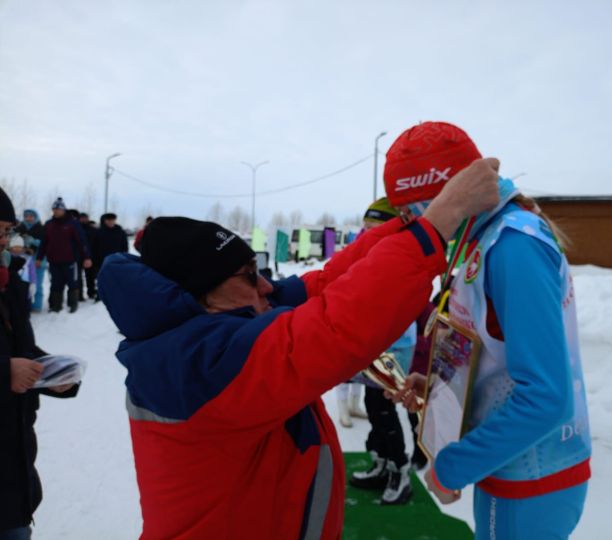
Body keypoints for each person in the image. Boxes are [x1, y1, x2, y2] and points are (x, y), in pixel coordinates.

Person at [96, 159, 500, 540]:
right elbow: (332, 326)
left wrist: (405, 227)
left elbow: (321, 285)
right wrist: (438, 222)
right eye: (250, 276)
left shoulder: (208, 324)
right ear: (203, 296)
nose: (268, 286)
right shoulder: (199, 362)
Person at [384, 121, 591, 540]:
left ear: (442, 193)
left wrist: (453, 466)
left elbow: (547, 397)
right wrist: (442, 387)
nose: (410, 223)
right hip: (509, 464)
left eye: (410, 209)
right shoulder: (487, 237)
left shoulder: (513, 247)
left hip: (530, 476)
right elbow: (497, 353)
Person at [0, 188, 80, 540]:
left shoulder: (9, 283)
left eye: (6, 231)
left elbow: (21, 349)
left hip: (11, 463)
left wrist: (50, 373)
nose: (4, 241)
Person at [349, 197, 417, 505]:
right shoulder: (368, 252)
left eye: (375, 228)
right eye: (365, 228)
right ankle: (382, 461)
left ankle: (399, 471)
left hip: (394, 345)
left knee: (385, 407)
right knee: (373, 404)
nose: (368, 234)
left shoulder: (400, 255)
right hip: (372, 343)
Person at [35, 198, 92, 313]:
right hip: (54, 261)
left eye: (58, 209)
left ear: (63, 210)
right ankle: (56, 306)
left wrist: (87, 257)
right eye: (54, 209)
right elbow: (44, 242)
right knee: (56, 284)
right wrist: (39, 257)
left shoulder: (72, 223)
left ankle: (73, 305)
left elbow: (82, 241)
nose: (56, 211)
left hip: (71, 260)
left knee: (73, 283)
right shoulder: (49, 224)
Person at [14, 210, 44, 312]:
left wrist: (34, 241)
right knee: (24, 283)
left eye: (31, 216)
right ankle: (26, 305)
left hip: (38, 260)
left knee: (37, 283)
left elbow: (45, 244)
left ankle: (37, 305)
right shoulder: (20, 228)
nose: (28, 218)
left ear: (36, 217)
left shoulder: (40, 228)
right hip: (24, 260)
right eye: (26, 216)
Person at [78, 213, 98, 300]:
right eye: (82, 218)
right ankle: (79, 295)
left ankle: (91, 292)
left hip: (91, 256)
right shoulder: (76, 229)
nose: (83, 220)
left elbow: (97, 243)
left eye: (85, 218)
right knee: (78, 277)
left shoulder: (93, 230)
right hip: (78, 256)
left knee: (90, 276)